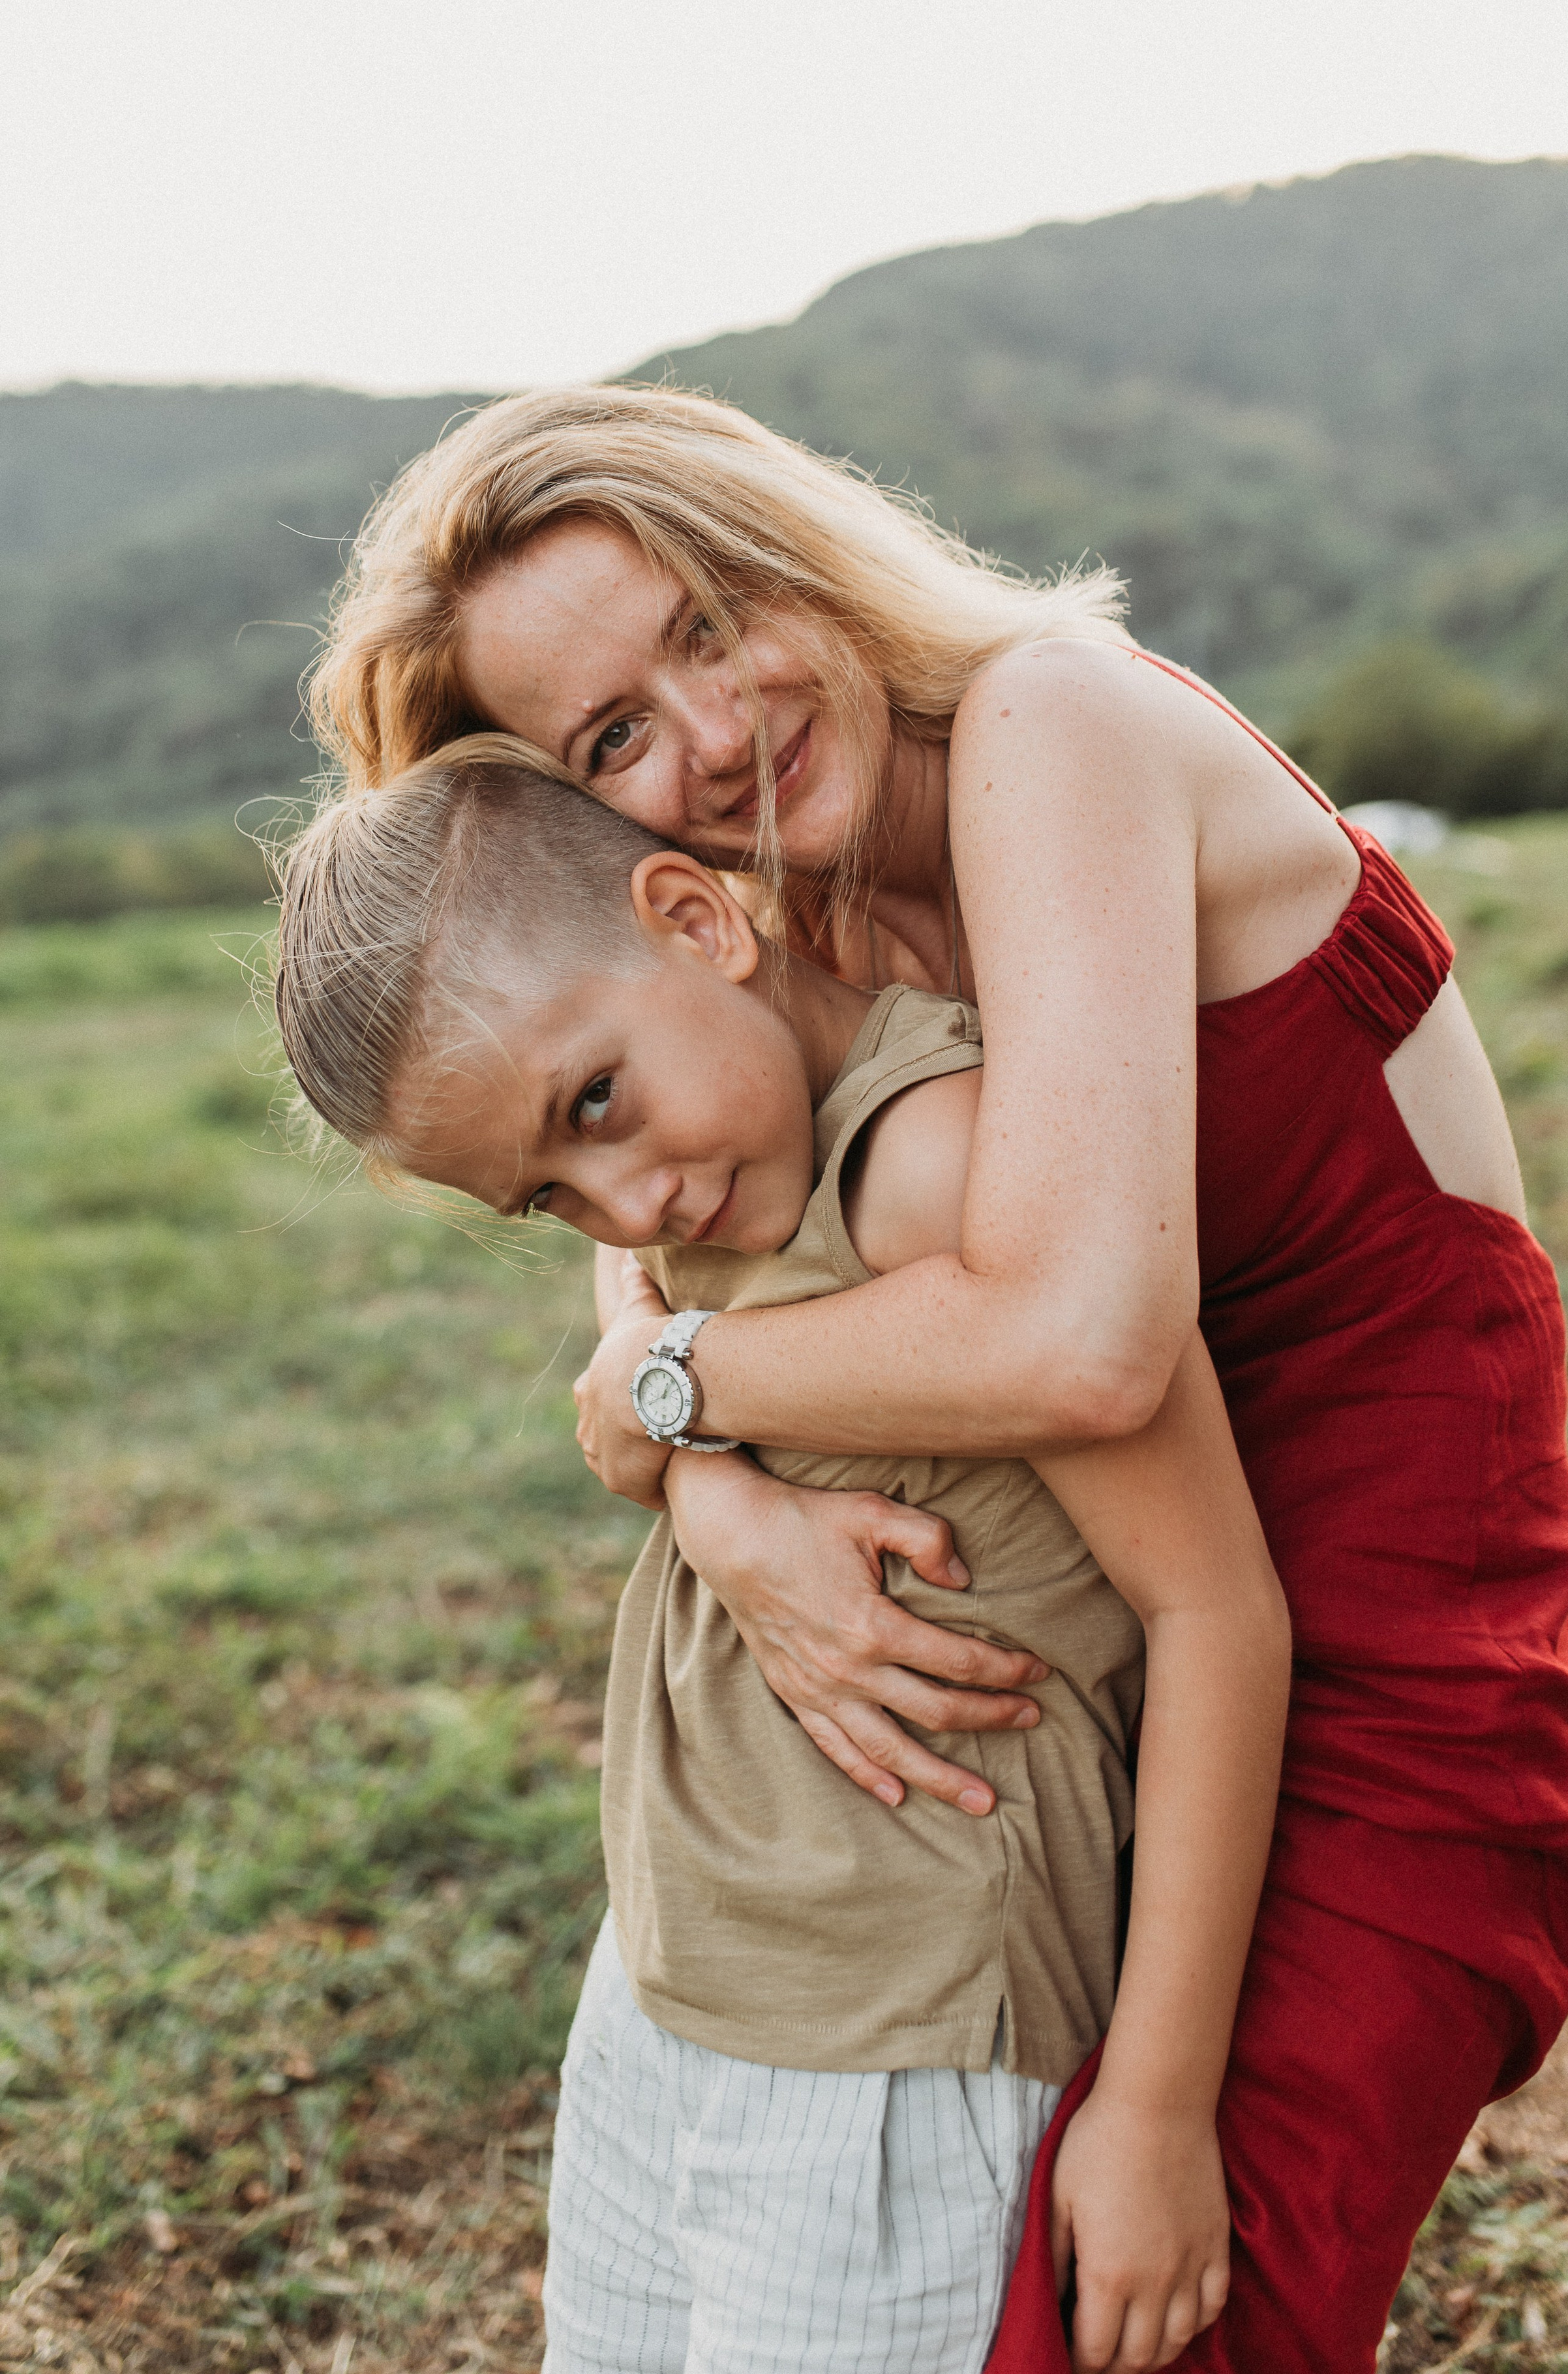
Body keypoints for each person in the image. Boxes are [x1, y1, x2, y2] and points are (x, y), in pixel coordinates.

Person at [307, 386, 1568, 2372]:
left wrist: (673, 1404)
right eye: (615, 739)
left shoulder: (1044, 725)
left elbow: (1080, 1342)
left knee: (1170, 2308)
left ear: (798, 544)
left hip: (1369, 1625)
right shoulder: (770, 896)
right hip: (1112, 1654)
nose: (714, 730)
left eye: (708, 619)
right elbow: (639, 1241)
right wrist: (724, 1491)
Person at [270, 742, 1291, 2374]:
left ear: (695, 916)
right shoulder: (706, 1169)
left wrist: (1159, 2107)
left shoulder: (934, 1171)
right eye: (549, 1196)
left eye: (592, 1107)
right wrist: (705, 1480)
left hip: (906, 2038)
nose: (624, 1202)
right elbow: (649, 1349)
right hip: (674, 1978)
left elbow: (1215, 1612)